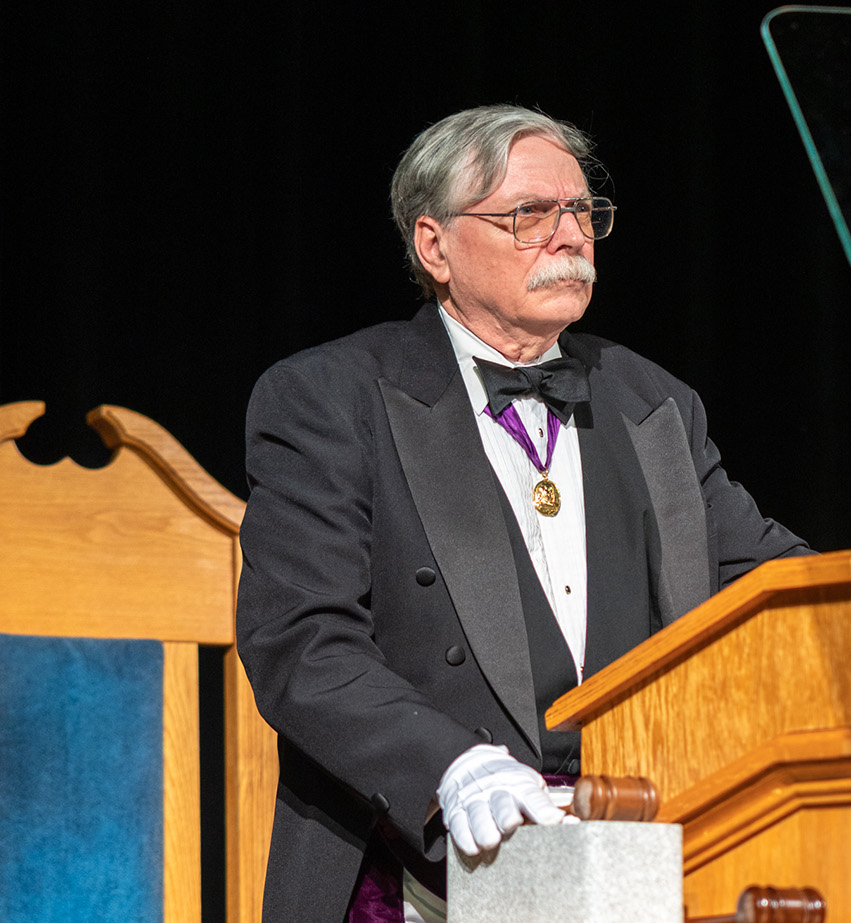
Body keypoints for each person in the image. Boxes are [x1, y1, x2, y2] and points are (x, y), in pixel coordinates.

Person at [235, 103, 811, 923]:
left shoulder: (653, 403)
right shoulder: (331, 397)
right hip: (418, 849)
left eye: (580, 211)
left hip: (637, 842)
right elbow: (299, 640)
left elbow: (766, 584)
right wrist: (451, 766)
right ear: (434, 245)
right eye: (528, 214)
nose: (569, 235)